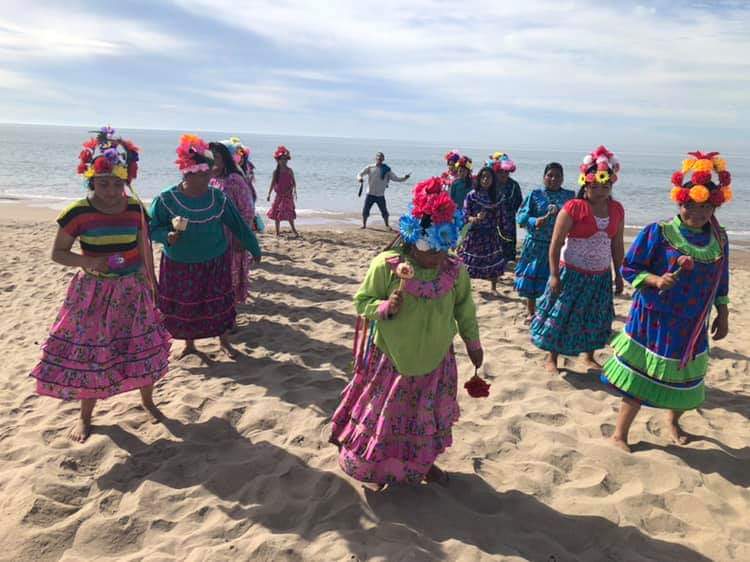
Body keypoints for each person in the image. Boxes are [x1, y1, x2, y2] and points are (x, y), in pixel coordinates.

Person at [330, 177, 482, 488]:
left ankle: (424, 465)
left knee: (423, 421)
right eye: (430, 248)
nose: (437, 256)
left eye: (444, 247)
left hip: (436, 361)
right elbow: (362, 302)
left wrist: (473, 342)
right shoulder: (387, 266)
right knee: (386, 418)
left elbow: (465, 310)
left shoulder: (455, 272)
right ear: (412, 238)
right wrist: (386, 307)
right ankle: (374, 467)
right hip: (391, 361)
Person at [30, 126, 171, 443]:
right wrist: (87, 262)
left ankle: (148, 402)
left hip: (133, 290)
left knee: (142, 346)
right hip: (93, 292)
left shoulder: (135, 208)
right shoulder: (77, 212)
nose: (110, 190)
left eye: (117, 184)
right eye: (104, 183)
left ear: (126, 182)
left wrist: (153, 283)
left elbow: (144, 248)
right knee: (92, 352)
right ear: (91, 180)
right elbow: (58, 253)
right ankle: (85, 417)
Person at [601, 151, 732, 452]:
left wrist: (722, 313)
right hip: (655, 319)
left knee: (686, 381)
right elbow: (629, 267)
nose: (697, 214)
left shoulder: (719, 238)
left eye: (705, 207)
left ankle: (673, 422)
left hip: (692, 323)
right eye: (691, 206)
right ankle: (620, 434)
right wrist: (656, 280)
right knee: (641, 378)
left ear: (715, 205)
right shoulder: (659, 233)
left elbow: (722, 279)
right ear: (680, 201)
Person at [150, 134, 262, 357]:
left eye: (207, 175)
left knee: (220, 305)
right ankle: (189, 345)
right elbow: (152, 228)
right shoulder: (166, 200)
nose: (205, 180)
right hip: (180, 263)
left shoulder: (217, 198)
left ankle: (224, 342)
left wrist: (253, 247)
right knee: (186, 305)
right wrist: (167, 236)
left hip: (216, 260)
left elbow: (238, 224)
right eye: (199, 175)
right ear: (186, 174)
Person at [531, 146, 625, 373]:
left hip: (600, 275)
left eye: (606, 186)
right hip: (571, 272)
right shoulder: (573, 207)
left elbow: (617, 244)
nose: (601, 191)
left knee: (595, 315)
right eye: (595, 186)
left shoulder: (617, 209)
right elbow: (555, 244)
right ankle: (552, 357)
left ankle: (588, 356)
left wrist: (618, 273)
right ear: (586, 184)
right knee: (562, 314)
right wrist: (554, 275)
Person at [515, 163, 575, 320]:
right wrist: (535, 221)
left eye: (557, 176)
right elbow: (520, 217)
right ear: (544, 177)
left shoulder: (570, 197)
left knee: (556, 279)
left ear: (562, 179)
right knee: (532, 278)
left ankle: (550, 311)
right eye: (550, 175)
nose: (553, 179)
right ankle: (531, 312)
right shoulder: (535, 195)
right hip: (535, 245)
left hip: (559, 246)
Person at [209, 141, 256, 305]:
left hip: (231, 236)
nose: (212, 160)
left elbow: (248, 210)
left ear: (225, 159)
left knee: (231, 275)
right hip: (213, 237)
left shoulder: (235, 179)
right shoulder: (211, 179)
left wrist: (242, 236)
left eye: (216, 157)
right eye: (209, 157)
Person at [459, 166, 506, 291]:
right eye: (483, 177)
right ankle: (467, 288)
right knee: (468, 262)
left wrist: (504, 230)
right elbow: (465, 214)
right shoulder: (471, 196)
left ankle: (493, 288)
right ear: (479, 179)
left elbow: (502, 216)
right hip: (474, 233)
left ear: (493, 180)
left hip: (490, 233)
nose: (485, 180)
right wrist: (474, 218)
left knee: (493, 261)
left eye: (488, 177)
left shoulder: (498, 197)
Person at [357, 152, 411, 230]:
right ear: (375, 158)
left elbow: (396, 178)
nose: (379, 159)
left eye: (381, 158)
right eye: (378, 158)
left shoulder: (387, 170)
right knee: (365, 211)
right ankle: (364, 225)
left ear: (383, 159)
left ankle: (387, 225)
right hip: (370, 194)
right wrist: (359, 179)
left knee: (384, 212)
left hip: (380, 195)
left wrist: (405, 178)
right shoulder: (370, 167)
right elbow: (359, 174)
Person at [488, 152, 523, 262]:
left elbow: (519, 202)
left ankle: (508, 259)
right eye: (500, 172)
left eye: (506, 172)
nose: (503, 174)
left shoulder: (514, 185)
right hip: (494, 218)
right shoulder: (491, 184)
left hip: (509, 219)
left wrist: (512, 213)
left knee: (509, 242)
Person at [266, 145, 299, 237]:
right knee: (277, 212)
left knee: (289, 213)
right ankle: (277, 232)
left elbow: (293, 183)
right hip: (279, 195)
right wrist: (269, 194)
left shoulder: (289, 170)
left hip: (288, 195)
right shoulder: (275, 172)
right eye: (282, 159)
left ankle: (294, 230)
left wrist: (291, 190)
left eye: (285, 159)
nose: (284, 161)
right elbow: (272, 184)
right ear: (278, 160)